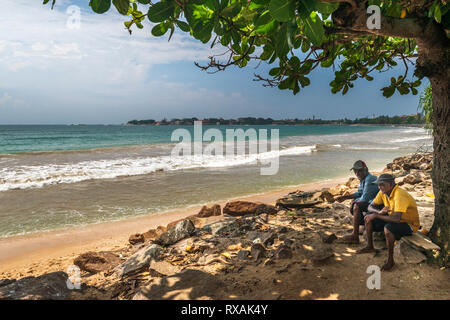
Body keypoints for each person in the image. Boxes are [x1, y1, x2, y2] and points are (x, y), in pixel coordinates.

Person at [356, 174, 420, 271]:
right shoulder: (383, 192)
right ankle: (370, 246)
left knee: (388, 228)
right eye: (379, 185)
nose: (380, 187)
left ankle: (391, 260)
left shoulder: (399, 194)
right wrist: (378, 212)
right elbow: (370, 206)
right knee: (368, 217)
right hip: (393, 218)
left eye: (382, 184)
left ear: (390, 184)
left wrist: (376, 215)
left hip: (409, 224)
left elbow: (396, 219)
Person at [337, 160, 379, 244]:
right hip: (371, 204)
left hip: (378, 206)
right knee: (355, 203)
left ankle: (355, 236)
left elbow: (364, 199)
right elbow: (360, 192)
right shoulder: (363, 178)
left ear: (366, 169)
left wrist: (354, 201)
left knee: (356, 206)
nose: (357, 173)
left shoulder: (369, 179)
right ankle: (363, 227)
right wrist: (346, 197)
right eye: (355, 171)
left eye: (359, 171)